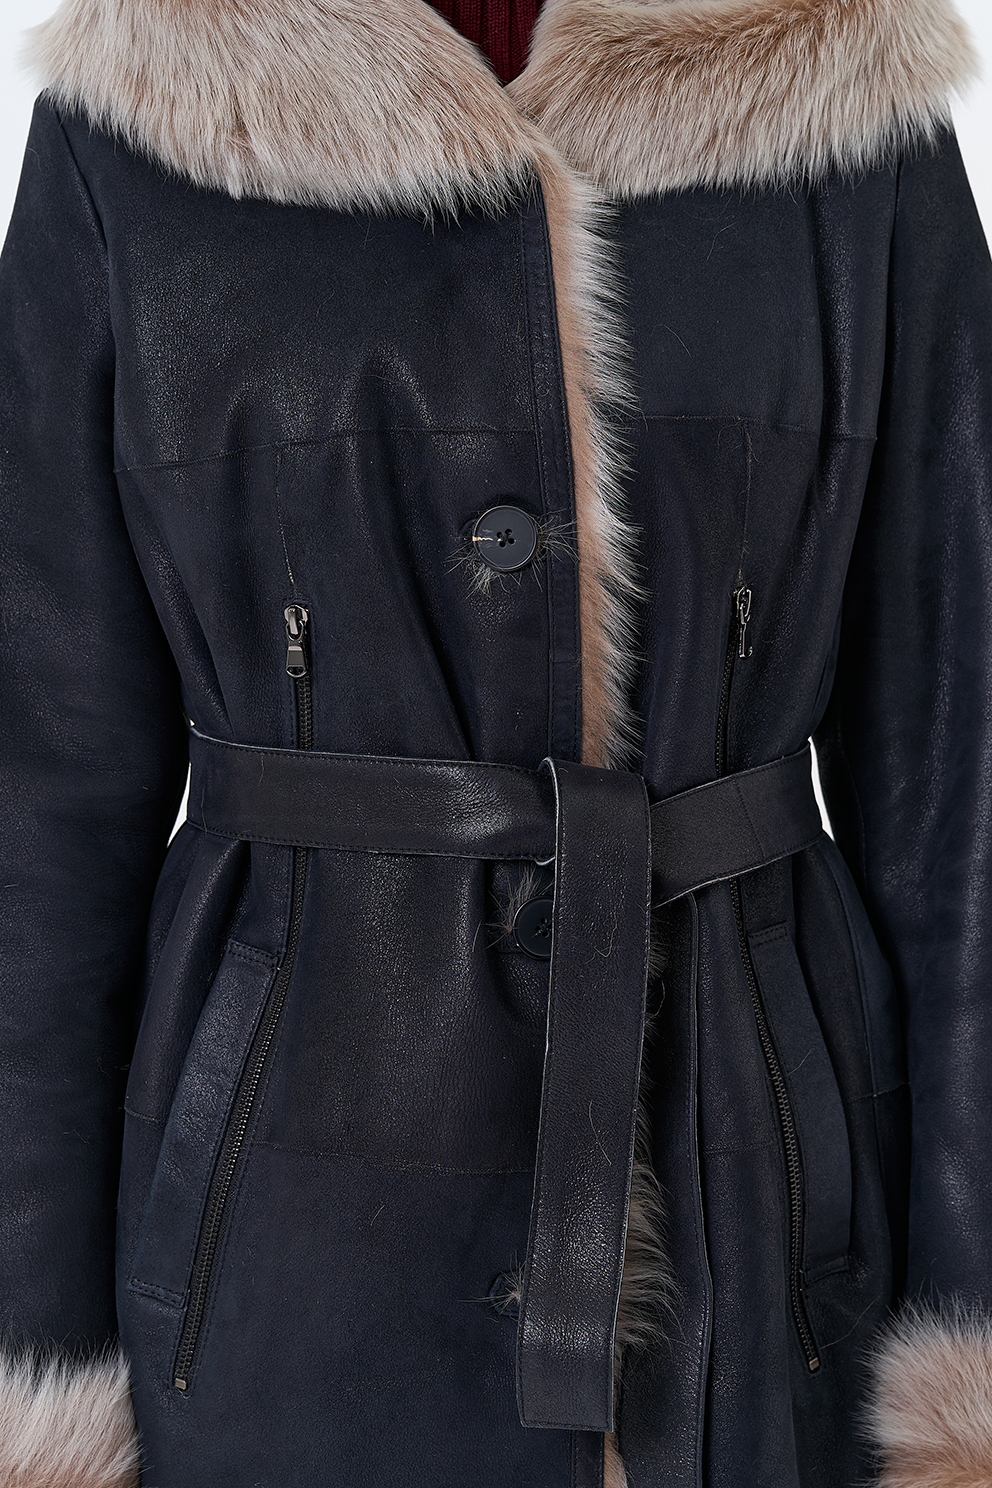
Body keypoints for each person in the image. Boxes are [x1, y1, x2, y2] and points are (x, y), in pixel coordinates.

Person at [0, 0, 990, 1484]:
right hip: (274, 1259)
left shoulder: (837, 105)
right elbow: (38, 808)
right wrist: (34, 1378)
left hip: (754, 1230)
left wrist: (968, 1357)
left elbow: (962, 782)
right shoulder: (147, 117)